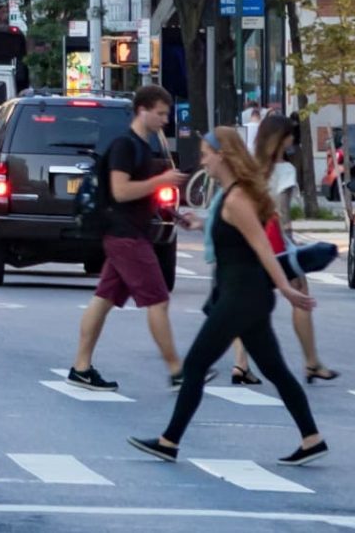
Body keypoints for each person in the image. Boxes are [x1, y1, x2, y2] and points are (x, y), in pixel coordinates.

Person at [128, 129, 327, 467]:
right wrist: (197, 224)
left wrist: (289, 289)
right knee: (275, 370)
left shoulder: (237, 199)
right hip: (246, 295)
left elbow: (263, 249)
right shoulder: (232, 195)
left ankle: (169, 441)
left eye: (206, 153)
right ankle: (312, 438)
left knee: (194, 365)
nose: (203, 160)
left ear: (223, 155)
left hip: (242, 296)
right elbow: (232, 235)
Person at [68, 84, 190, 393]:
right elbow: (121, 191)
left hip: (127, 233)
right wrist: (160, 180)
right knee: (158, 301)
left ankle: (81, 367)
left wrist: (174, 215)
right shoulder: (126, 145)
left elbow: (140, 195)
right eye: (160, 114)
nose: (165, 120)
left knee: (103, 299)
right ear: (143, 110)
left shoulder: (142, 146)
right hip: (126, 236)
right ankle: (177, 371)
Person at [231, 116, 336, 385]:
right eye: (290, 137)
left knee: (246, 302)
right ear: (281, 139)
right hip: (274, 240)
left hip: (246, 238)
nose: (293, 142)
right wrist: (292, 246)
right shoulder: (285, 170)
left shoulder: (249, 167)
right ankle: (311, 361)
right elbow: (282, 213)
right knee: (301, 295)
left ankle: (240, 364)